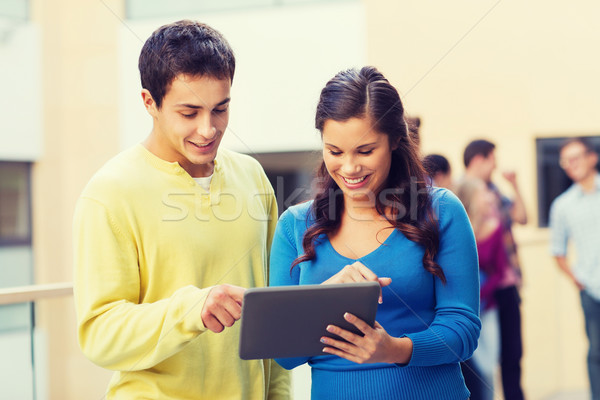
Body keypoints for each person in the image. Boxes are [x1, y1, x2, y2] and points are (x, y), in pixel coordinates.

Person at [72, 20, 290, 399]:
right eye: (189, 113)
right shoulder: (108, 193)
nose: (208, 129)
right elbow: (100, 335)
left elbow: (270, 310)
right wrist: (192, 309)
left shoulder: (252, 176)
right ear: (149, 103)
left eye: (220, 109)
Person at [269, 66, 481, 400]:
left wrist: (394, 349)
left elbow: (463, 330)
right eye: (335, 151)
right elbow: (283, 354)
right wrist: (324, 296)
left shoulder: (441, 211)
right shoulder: (295, 226)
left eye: (365, 151)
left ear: (395, 140)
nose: (350, 168)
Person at [463, 139, 527, 400]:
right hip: (477, 297)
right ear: (479, 160)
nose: (496, 165)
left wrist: (514, 185)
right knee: (478, 364)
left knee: (509, 354)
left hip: (501, 288)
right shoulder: (460, 194)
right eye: (493, 159)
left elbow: (522, 217)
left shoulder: (496, 193)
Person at [549, 137, 600, 400]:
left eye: (575, 157)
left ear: (592, 157)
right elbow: (557, 251)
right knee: (597, 353)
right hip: (591, 290)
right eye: (565, 161)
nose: (570, 165)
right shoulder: (562, 205)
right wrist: (578, 279)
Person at [455, 178, 509, 400]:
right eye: (483, 193)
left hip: (486, 307)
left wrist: (479, 295)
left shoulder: (495, 229)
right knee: (470, 367)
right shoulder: (456, 229)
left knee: (489, 364)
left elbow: (500, 271)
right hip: (463, 309)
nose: (489, 197)